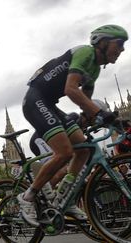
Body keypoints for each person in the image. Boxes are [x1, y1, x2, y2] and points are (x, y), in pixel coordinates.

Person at [18, 24, 127, 226]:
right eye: (119, 44)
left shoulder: (94, 70)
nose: (122, 50)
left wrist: (111, 122)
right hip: (35, 100)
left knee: (83, 150)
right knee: (65, 152)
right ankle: (27, 197)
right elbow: (70, 90)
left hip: (50, 104)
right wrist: (101, 113)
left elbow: (86, 104)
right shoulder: (86, 53)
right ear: (102, 42)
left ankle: (64, 198)